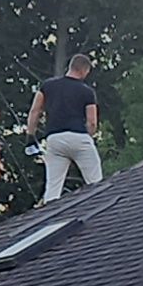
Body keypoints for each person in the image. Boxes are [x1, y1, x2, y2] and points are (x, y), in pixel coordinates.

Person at [31, 49, 104, 203]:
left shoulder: (47, 86)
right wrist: (88, 137)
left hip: (54, 138)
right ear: (84, 70)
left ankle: (48, 212)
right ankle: (99, 207)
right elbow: (92, 121)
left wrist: (30, 135)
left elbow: (35, 111)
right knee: (96, 182)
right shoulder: (87, 92)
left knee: (53, 185)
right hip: (79, 137)